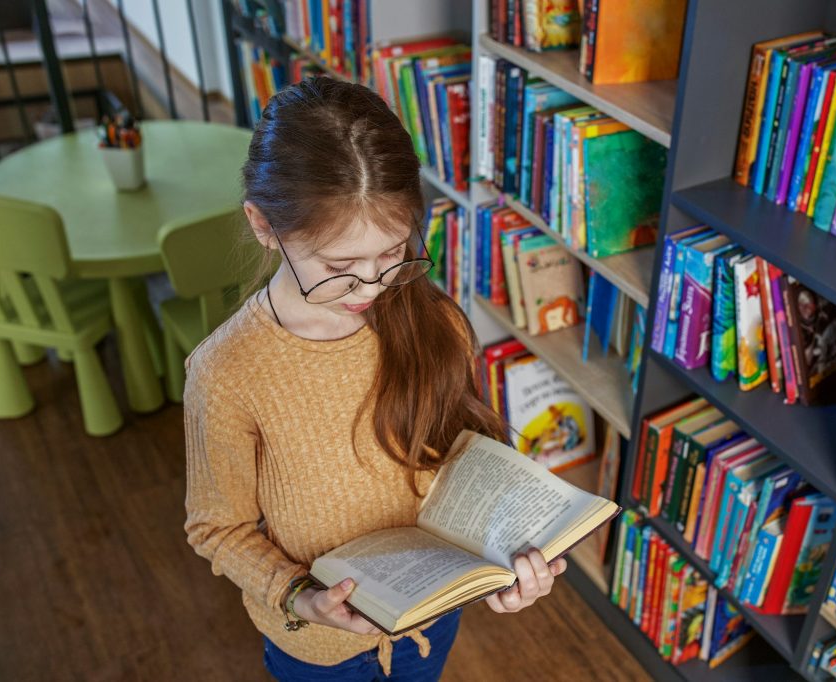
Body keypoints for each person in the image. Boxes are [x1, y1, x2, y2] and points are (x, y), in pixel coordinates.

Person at [183, 76, 567, 681]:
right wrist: (299, 597)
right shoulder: (227, 371)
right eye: (338, 267)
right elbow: (218, 527)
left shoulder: (431, 319)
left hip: (430, 619)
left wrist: (510, 559)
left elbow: (468, 458)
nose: (372, 287)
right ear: (263, 225)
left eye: (392, 253)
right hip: (315, 646)